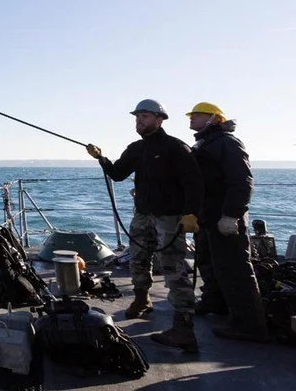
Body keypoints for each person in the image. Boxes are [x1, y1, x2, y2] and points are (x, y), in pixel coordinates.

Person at [86, 99, 203, 352]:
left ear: (160, 119)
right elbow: (117, 173)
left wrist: (191, 214)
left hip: (170, 217)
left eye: (146, 116)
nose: (140, 120)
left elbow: (194, 183)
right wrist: (101, 158)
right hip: (143, 214)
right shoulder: (137, 149)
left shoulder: (176, 148)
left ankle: (184, 327)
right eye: (138, 116)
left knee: (173, 265)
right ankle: (142, 299)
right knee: (138, 258)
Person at [187, 102, 270, 343]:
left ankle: (250, 325)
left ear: (214, 118)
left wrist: (231, 215)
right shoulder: (205, 143)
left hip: (225, 215)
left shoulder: (227, 143)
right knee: (208, 261)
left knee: (234, 269)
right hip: (207, 214)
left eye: (196, 115)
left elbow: (242, 182)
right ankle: (216, 303)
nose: (191, 119)